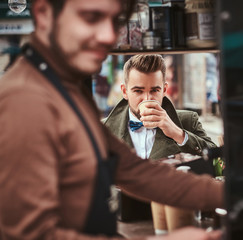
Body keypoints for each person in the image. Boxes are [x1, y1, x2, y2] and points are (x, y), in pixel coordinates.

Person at [0, 0, 223, 240]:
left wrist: (239, 192)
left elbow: (136, 172)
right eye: (91, 17)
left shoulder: (67, 90)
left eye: (116, 21)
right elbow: (29, 235)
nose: (109, 36)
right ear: (44, 14)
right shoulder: (25, 99)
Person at [103, 54, 217, 223]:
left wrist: (178, 133)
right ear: (125, 91)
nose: (147, 99)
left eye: (154, 90)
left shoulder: (186, 120)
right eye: (138, 91)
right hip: (124, 221)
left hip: (176, 217)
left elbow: (217, 162)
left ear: (164, 89)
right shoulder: (104, 129)